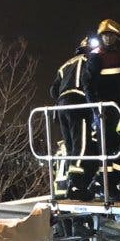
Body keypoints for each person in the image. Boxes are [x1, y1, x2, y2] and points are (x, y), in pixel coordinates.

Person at [81, 19, 120, 193]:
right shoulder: (96, 56)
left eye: (111, 35)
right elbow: (88, 85)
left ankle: (110, 183)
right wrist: (96, 109)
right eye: (104, 36)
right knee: (108, 148)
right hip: (105, 110)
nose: (108, 39)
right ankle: (103, 184)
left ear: (117, 36)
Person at [49, 39, 95, 200]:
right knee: (81, 145)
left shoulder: (65, 65)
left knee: (70, 147)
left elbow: (53, 90)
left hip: (61, 106)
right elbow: (92, 83)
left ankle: (72, 182)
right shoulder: (89, 60)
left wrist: (64, 97)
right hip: (78, 104)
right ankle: (76, 184)